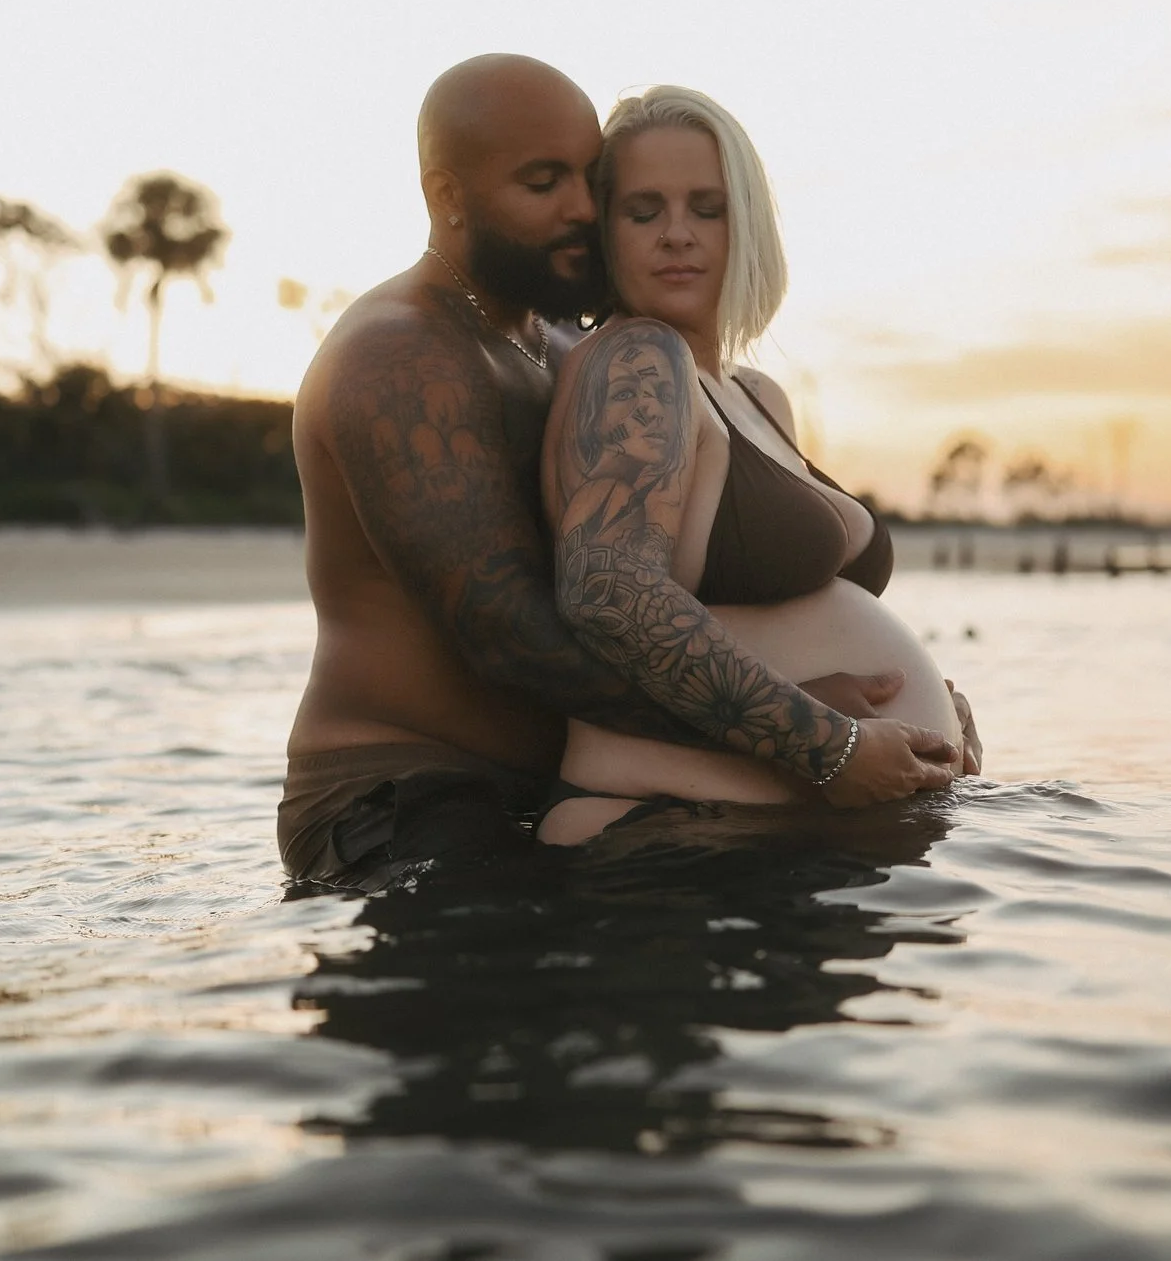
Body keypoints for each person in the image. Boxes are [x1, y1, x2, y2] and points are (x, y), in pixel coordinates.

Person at [278, 55, 962, 888]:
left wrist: (883, 712)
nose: (579, 208)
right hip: (403, 797)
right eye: (543, 184)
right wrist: (805, 727)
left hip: (556, 783)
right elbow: (512, 632)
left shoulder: (559, 344)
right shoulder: (402, 357)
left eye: (588, 180)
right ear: (448, 197)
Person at [539, 85, 978, 844]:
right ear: (606, 233)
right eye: (644, 212)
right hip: (665, 837)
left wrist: (926, 709)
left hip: (766, 837)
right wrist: (828, 743)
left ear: (748, 222)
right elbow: (608, 591)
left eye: (707, 208)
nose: (677, 234)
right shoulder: (638, 361)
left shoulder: (756, 394)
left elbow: (786, 624)